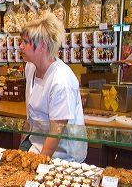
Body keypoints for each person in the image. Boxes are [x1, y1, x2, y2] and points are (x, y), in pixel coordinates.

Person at [19, 12, 87, 163]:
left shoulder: (61, 81)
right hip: (37, 145)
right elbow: (30, 116)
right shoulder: (30, 68)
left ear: (42, 46)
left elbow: (56, 132)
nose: (20, 46)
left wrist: (39, 165)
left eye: (25, 42)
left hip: (64, 155)